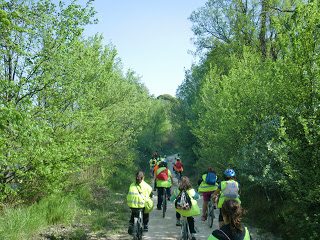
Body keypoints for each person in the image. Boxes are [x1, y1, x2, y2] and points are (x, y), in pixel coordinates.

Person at [170, 176, 200, 240]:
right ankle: (192, 234)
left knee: (178, 208)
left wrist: (173, 201)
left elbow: (171, 199)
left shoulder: (177, 191)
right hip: (189, 209)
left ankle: (178, 220)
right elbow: (198, 197)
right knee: (190, 219)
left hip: (181, 210)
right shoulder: (191, 191)